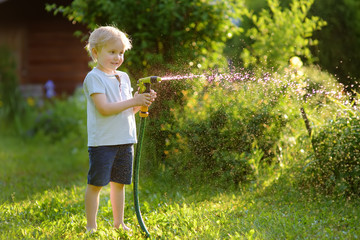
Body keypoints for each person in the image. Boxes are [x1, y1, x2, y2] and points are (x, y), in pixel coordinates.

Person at [82, 26, 157, 233]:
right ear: (96, 53)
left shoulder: (123, 77)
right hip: (103, 142)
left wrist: (141, 103)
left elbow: (126, 110)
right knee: (96, 184)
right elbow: (105, 109)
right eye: (112, 52)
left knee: (120, 183)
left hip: (125, 139)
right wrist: (133, 100)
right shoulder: (94, 78)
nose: (117, 57)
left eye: (121, 53)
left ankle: (119, 223)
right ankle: (91, 226)